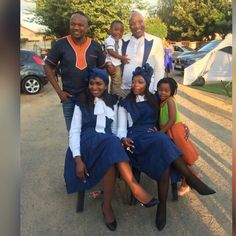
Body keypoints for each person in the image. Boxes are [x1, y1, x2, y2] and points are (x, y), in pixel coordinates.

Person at [117, 63, 216, 231]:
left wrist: (182, 125)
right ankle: (191, 178)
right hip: (135, 139)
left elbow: (170, 109)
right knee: (162, 141)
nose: (136, 85)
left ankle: (162, 206)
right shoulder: (125, 103)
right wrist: (123, 138)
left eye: (140, 82)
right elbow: (120, 128)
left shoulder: (154, 99)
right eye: (134, 82)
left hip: (153, 135)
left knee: (162, 150)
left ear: (147, 84)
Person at [64, 68, 158, 231]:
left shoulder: (115, 102)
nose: (94, 87)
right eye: (91, 83)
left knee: (111, 147)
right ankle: (134, 187)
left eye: (99, 83)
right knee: (110, 143)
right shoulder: (81, 102)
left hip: (107, 143)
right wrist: (77, 159)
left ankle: (106, 206)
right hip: (87, 143)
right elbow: (74, 132)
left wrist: (122, 138)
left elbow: (118, 129)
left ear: (106, 84)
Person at [44, 11, 105, 132]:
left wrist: (101, 94)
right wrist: (59, 92)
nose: (76, 27)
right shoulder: (60, 44)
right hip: (69, 99)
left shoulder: (96, 46)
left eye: (80, 25)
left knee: (92, 132)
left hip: (91, 98)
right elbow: (47, 66)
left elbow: (102, 70)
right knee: (73, 135)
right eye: (73, 24)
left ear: (87, 28)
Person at [157, 77, 200, 196]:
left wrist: (160, 132)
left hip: (174, 131)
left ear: (172, 91)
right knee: (177, 157)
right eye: (160, 89)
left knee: (181, 157)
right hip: (169, 131)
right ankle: (191, 177)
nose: (163, 92)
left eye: (166, 90)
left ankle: (189, 180)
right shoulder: (163, 101)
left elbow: (171, 120)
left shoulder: (170, 100)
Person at [107, 11, 165, 97]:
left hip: (145, 93)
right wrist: (109, 65)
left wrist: (155, 92)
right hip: (122, 91)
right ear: (129, 26)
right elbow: (109, 52)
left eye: (140, 22)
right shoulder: (122, 39)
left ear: (145, 23)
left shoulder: (156, 41)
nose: (137, 26)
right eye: (133, 23)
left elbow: (159, 69)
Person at [104, 20, 130, 96]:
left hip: (117, 63)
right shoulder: (109, 40)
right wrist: (122, 58)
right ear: (110, 30)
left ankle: (112, 95)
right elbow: (111, 51)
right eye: (116, 30)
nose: (119, 32)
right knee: (116, 82)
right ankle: (115, 96)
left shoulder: (119, 40)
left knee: (115, 82)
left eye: (121, 31)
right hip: (111, 63)